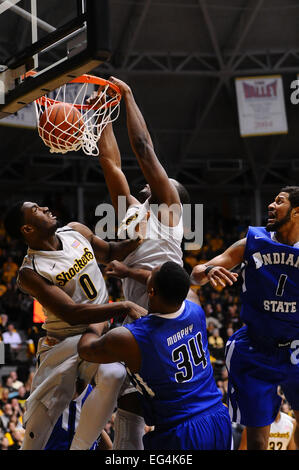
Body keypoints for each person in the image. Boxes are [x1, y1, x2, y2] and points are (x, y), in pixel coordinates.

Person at [71, 76, 194, 451]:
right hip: (142, 319)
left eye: (163, 183)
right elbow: (111, 163)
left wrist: (126, 97)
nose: (155, 182)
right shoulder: (131, 215)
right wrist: (105, 114)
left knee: (159, 417)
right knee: (129, 417)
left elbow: (142, 148)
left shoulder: (170, 213)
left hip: (164, 319)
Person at [3, 200, 146, 450]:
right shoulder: (31, 271)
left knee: (114, 373)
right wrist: (123, 306)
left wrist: (137, 239)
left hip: (98, 330)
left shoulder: (74, 230)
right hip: (63, 343)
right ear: (27, 229)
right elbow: (72, 312)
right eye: (36, 210)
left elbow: (111, 252)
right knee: (35, 435)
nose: (46, 208)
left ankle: (80, 448)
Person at [78, 261, 232, 450]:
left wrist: (102, 316)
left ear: (151, 292)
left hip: (182, 432)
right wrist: (128, 272)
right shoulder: (194, 303)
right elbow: (170, 283)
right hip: (218, 417)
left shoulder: (132, 337)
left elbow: (85, 349)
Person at [191, 186, 299, 450]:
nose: (271, 206)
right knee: (257, 441)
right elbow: (196, 273)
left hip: (296, 346)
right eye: (272, 201)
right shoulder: (253, 240)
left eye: (279, 201)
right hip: (255, 348)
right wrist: (208, 271)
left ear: (297, 211)